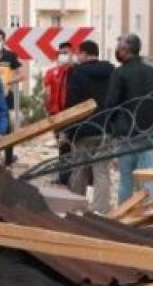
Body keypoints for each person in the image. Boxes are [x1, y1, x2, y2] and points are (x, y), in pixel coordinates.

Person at [103, 33, 153, 203]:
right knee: (147, 178)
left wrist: (110, 128)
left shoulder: (120, 73)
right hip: (150, 134)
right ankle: (149, 217)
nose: (117, 52)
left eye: (118, 48)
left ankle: (123, 220)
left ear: (126, 50)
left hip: (127, 136)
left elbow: (111, 104)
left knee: (127, 180)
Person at [65, 40, 116, 211]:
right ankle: (100, 210)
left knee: (79, 170)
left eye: (79, 53)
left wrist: (68, 132)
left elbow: (72, 104)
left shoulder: (77, 74)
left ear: (85, 54)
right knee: (101, 171)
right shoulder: (111, 72)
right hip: (106, 129)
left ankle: (76, 207)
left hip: (84, 130)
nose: (77, 57)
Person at [0, 28, 26, 165]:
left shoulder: (10, 56)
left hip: (5, 96)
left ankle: (8, 159)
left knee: (7, 128)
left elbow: (22, 75)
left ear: (3, 41)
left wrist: (7, 82)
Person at [43, 42, 74, 185]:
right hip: (62, 114)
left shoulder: (72, 72)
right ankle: (67, 177)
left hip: (66, 114)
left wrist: (48, 110)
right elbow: (48, 94)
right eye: (61, 53)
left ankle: (65, 177)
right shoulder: (73, 71)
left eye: (66, 53)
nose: (63, 56)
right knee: (66, 146)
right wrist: (49, 110)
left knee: (64, 146)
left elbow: (47, 94)